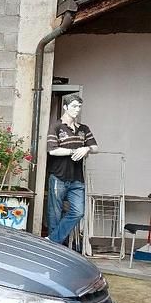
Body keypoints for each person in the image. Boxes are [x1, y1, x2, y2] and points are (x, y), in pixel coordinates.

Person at [46, 93, 98, 245]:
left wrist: (86, 149)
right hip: (59, 176)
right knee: (54, 213)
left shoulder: (83, 128)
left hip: (77, 178)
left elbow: (96, 147)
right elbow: (52, 150)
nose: (77, 109)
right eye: (74, 106)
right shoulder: (56, 126)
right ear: (65, 107)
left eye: (79, 106)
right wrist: (74, 151)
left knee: (78, 212)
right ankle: (54, 247)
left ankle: (53, 240)